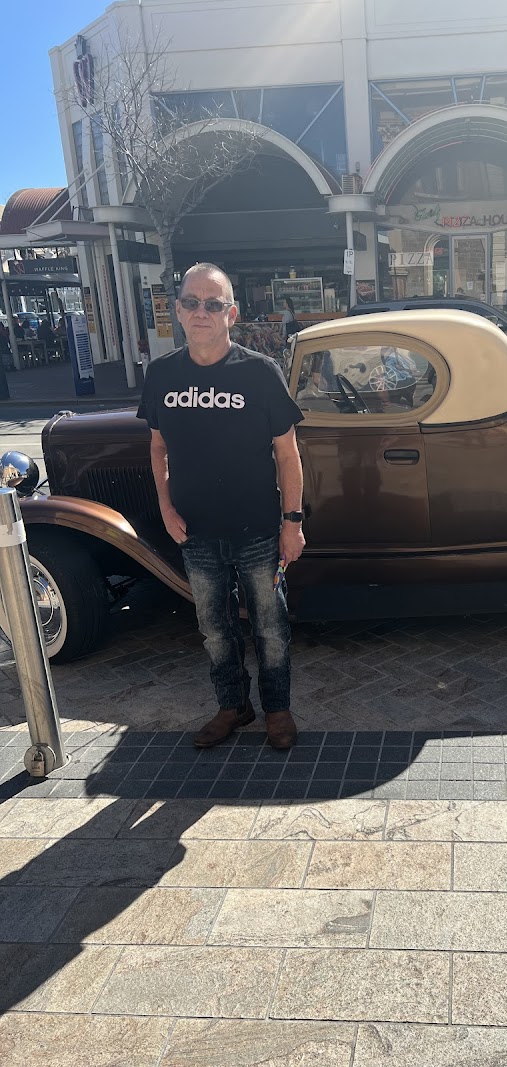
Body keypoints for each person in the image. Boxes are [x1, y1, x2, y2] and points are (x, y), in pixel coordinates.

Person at [137, 262, 305, 750]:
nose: (201, 312)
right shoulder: (162, 374)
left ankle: (277, 709)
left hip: (258, 530)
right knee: (214, 630)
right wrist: (165, 508)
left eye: (213, 304)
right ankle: (233, 707)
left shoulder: (260, 372)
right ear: (178, 311)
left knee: (270, 628)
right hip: (195, 531)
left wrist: (292, 523)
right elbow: (157, 448)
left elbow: (288, 454)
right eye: (191, 302)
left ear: (230, 314)